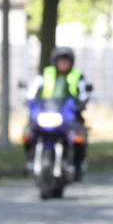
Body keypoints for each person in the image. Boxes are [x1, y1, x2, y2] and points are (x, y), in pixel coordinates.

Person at [24, 46, 90, 179]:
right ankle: (30, 160)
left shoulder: (77, 75)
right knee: (28, 132)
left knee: (79, 136)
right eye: (61, 60)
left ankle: (76, 164)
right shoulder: (46, 74)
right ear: (56, 61)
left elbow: (84, 92)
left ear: (71, 62)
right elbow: (32, 91)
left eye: (66, 60)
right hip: (47, 111)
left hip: (69, 114)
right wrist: (28, 100)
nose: (64, 63)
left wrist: (82, 103)